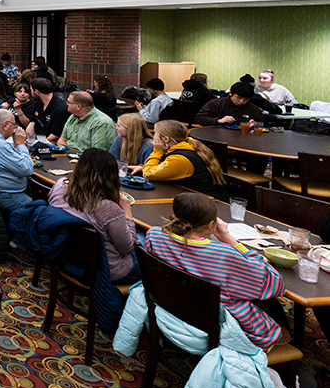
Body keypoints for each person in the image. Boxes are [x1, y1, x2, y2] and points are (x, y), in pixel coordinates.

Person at [144, 192, 286, 350]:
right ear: (210, 225)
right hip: (215, 326)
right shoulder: (223, 254)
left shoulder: (154, 236)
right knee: (273, 307)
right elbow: (275, 284)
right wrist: (231, 241)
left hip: (173, 310)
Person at [48, 148, 139, 283]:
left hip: (65, 256)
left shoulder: (60, 185)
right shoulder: (108, 208)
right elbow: (128, 248)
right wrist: (127, 213)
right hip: (102, 270)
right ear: (111, 176)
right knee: (146, 247)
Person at [142, 120, 228, 200]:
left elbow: (148, 174)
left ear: (166, 139)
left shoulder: (180, 159)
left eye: (155, 134)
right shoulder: (186, 146)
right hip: (197, 198)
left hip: (207, 204)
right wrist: (143, 167)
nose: (154, 137)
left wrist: (157, 150)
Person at [194, 81, 265, 127]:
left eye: (246, 99)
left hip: (243, 140)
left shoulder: (253, 109)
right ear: (230, 93)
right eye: (238, 97)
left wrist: (255, 124)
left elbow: (262, 123)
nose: (241, 101)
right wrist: (218, 120)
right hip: (217, 137)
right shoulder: (217, 103)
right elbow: (199, 118)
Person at [28, 78, 69, 142]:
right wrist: (28, 138)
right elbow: (32, 122)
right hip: (37, 138)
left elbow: (55, 134)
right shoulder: (37, 103)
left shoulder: (60, 108)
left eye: (31, 90)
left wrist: (40, 143)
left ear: (37, 91)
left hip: (51, 142)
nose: (30, 92)